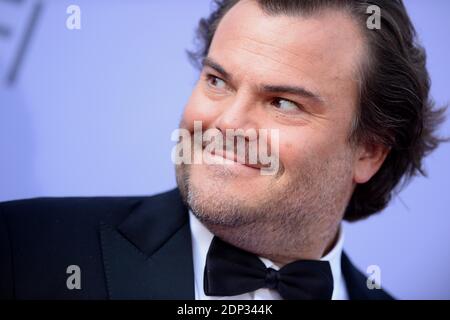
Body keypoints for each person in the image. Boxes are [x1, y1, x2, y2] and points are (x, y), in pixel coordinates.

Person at [0, 0, 446, 300]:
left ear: (369, 151)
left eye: (283, 103)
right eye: (217, 81)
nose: (228, 123)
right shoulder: (22, 250)